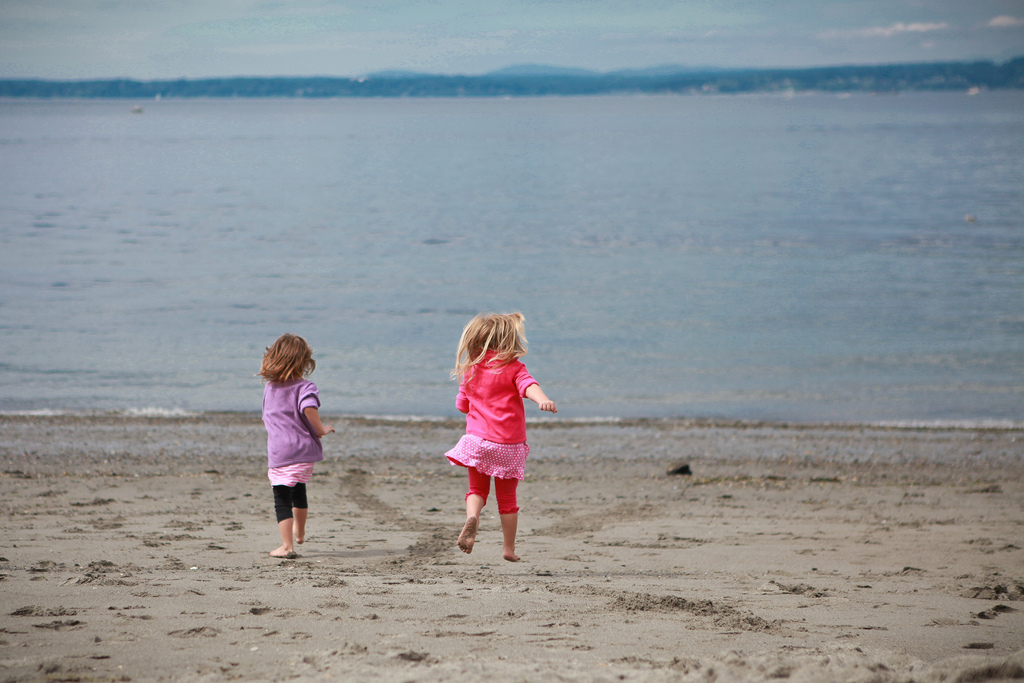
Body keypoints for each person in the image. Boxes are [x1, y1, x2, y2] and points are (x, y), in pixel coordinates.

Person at [445, 313, 557, 562]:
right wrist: (543, 400)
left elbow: (461, 406)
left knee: (476, 490)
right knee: (507, 500)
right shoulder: (514, 367)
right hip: (508, 446)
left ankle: (472, 517)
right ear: (508, 340)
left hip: (477, 443)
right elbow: (528, 386)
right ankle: (508, 549)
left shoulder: (470, 369)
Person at [258, 333, 334, 559]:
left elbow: (302, 410)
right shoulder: (305, 386)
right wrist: (320, 430)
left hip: (281, 453)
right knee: (299, 488)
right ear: (304, 361)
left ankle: (287, 546)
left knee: (282, 497)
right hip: (304, 452)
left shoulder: (270, 388)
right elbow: (308, 408)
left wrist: (319, 429)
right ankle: (299, 533)